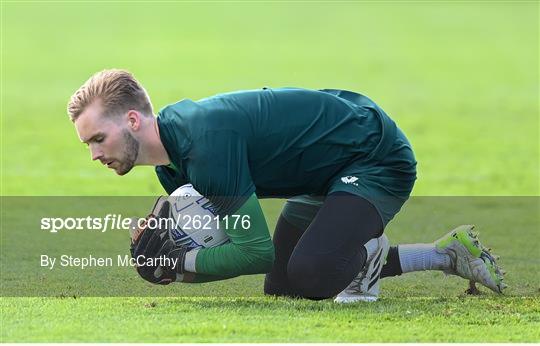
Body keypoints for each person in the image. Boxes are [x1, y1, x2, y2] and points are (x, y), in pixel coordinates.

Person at [67, 69, 505, 302]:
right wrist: (174, 269)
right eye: (88, 144)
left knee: (313, 273)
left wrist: (188, 262)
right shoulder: (172, 165)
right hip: (320, 172)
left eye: (98, 139)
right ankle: (447, 253)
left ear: (131, 119)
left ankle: (381, 254)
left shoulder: (204, 145)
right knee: (285, 286)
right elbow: (234, 246)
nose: (94, 154)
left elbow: (255, 252)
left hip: (374, 158)